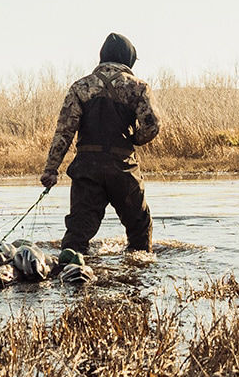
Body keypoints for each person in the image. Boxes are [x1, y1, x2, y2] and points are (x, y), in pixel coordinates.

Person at [41, 32, 161, 254]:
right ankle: (137, 277)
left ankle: (70, 276)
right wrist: (134, 140)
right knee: (140, 229)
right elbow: (152, 126)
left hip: (87, 169)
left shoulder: (80, 87)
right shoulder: (138, 87)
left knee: (77, 234)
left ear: (102, 56)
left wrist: (51, 170)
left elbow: (64, 131)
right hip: (123, 168)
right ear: (128, 59)